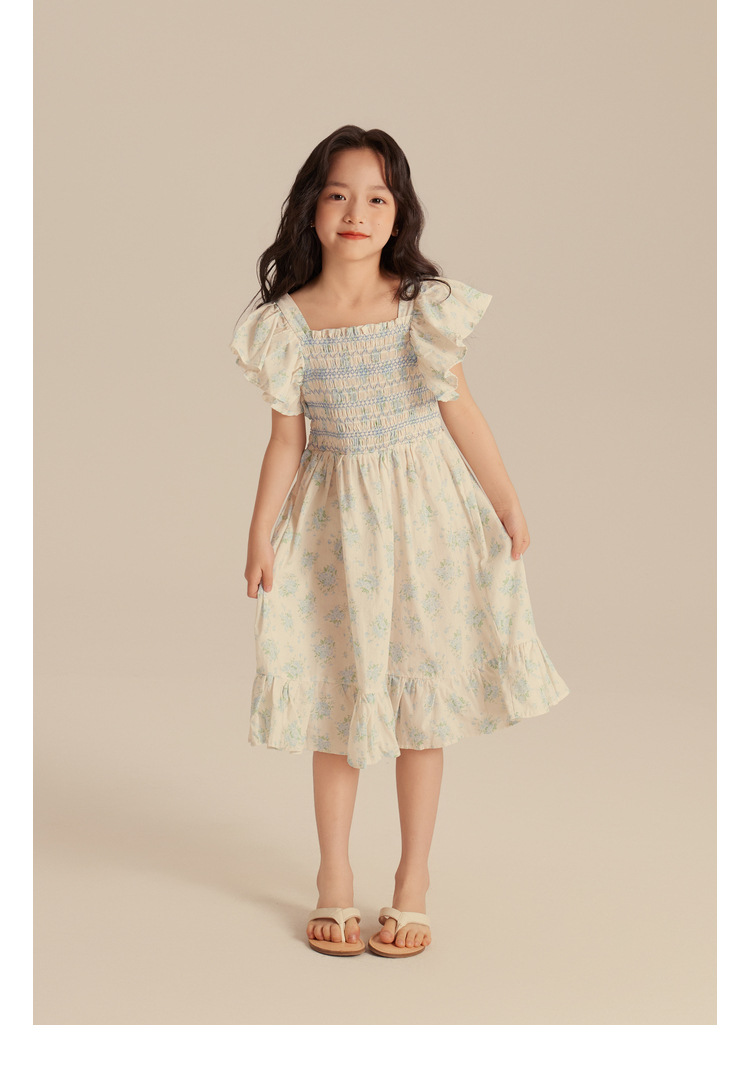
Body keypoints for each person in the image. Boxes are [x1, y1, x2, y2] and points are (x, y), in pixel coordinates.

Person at [229, 125, 570, 959]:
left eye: (377, 197)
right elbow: (286, 440)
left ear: (399, 213)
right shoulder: (288, 323)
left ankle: (412, 881)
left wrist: (508, 501)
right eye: (339, 194)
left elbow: (460, 409)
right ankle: (334, 876)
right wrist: (260, 530)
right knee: (336, 698)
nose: (357, 211)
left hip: (426, 521)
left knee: (422, 700)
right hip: (336, 526)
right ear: (312, 209)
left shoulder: (422, 307)